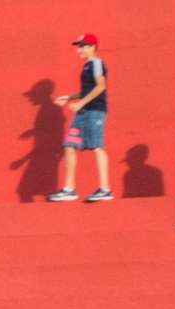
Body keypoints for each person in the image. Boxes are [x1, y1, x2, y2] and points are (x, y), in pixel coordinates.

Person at [51, 34, 113, 203]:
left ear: (92, 47)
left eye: (83, 46)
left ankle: (105, 189)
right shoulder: (87, 66)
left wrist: (80, 104)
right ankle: (69, 189)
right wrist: (69, 98)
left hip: (95, 111)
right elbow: (86, 91)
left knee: (97, 146)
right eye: (79, 46)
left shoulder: (97, 63)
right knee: (69, 145)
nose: (79, 50)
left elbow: (101, 86)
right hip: (83, 112)